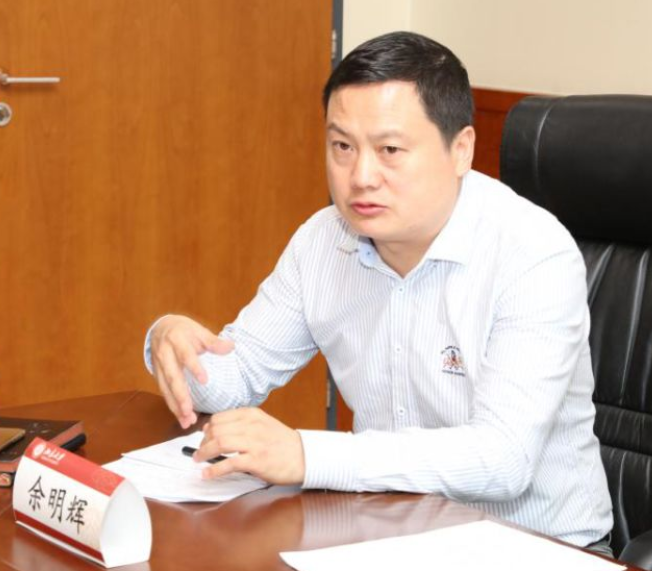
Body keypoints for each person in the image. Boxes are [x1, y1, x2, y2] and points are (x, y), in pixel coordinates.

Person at [145, 31, 613, 552]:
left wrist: (307, 455)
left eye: (390, 150)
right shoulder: (323, 241)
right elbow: (236, 378)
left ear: (461, 150)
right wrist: (176, 344)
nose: (361, 177)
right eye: (342, 147)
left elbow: (504, 459)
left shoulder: (531, 253)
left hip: (535, 548)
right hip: (391, 535)